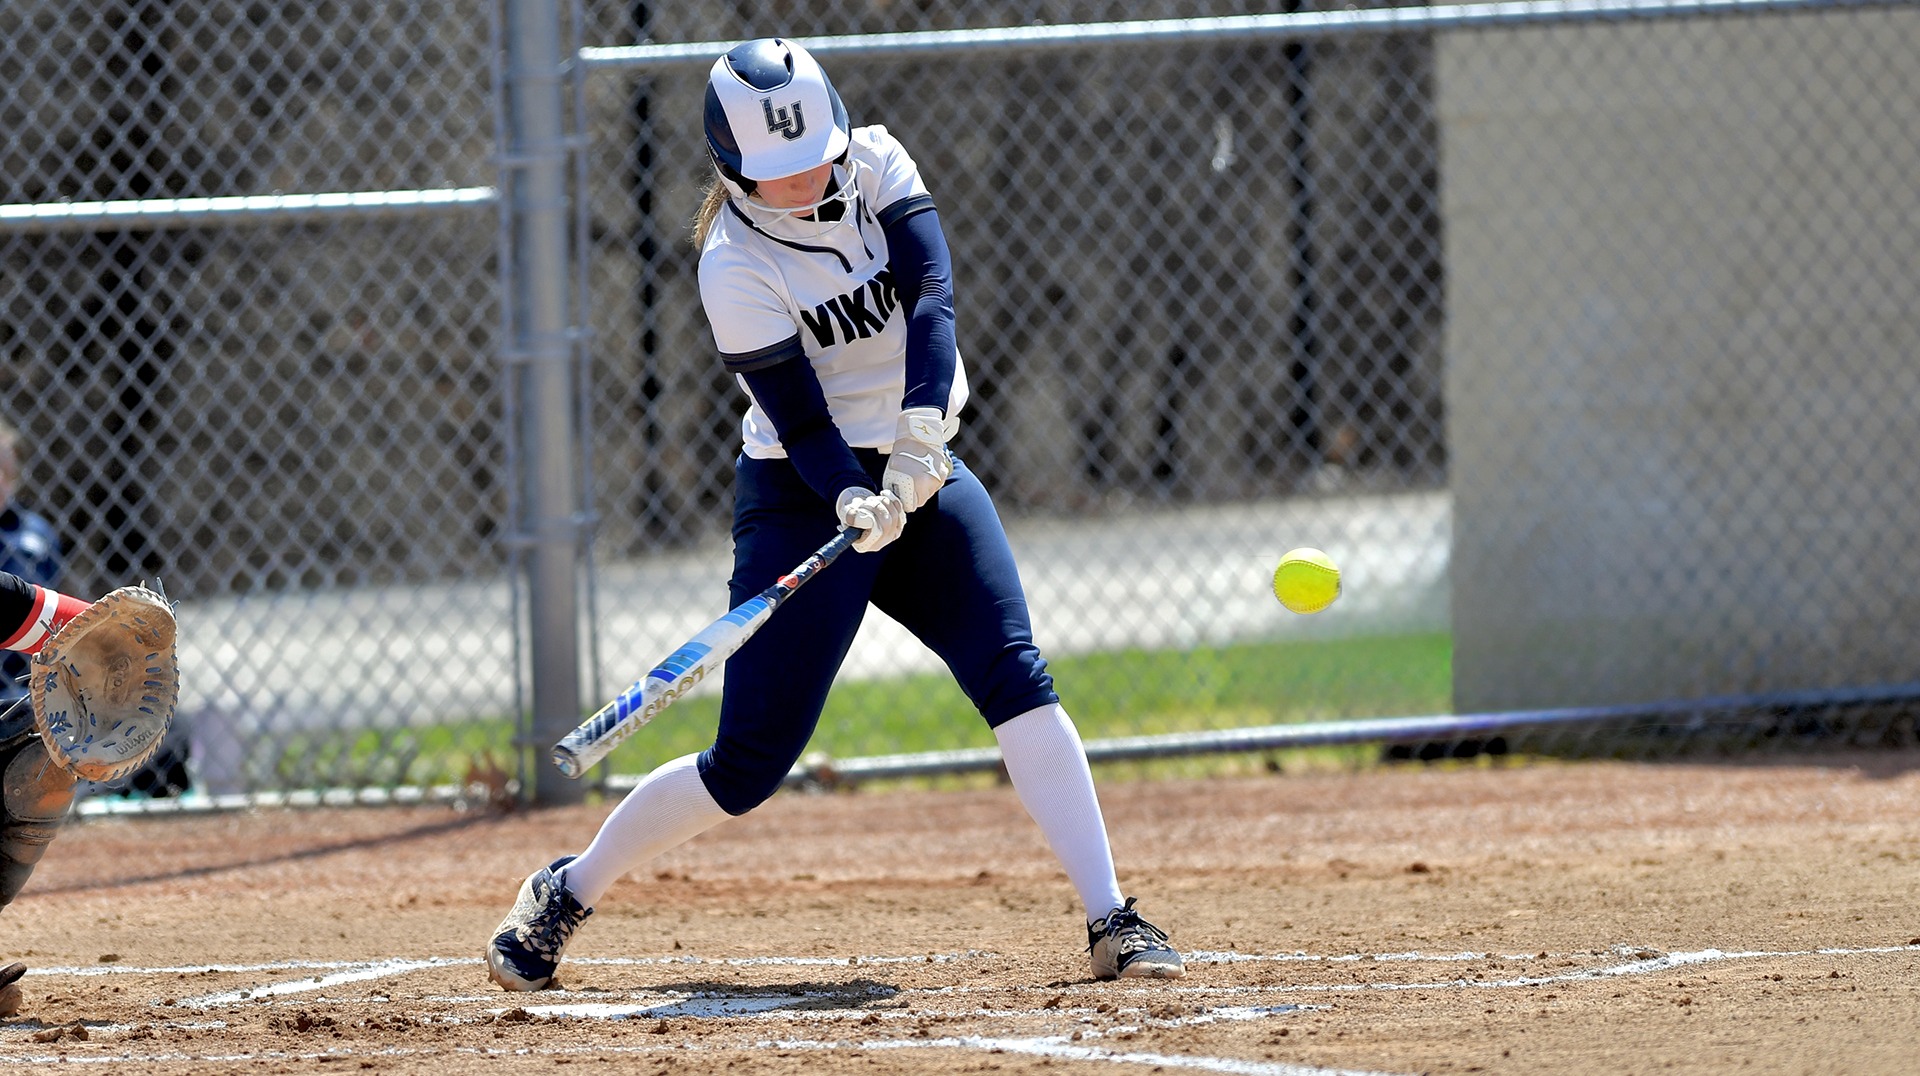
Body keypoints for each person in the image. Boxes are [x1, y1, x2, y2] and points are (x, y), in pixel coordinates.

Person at [487, 38, 1183, 991]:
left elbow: (933, 299)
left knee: (1014, 674)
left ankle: (1112, 916)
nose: (808, 176)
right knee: (747, 765)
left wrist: (918, 440)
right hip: (801, 493)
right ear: (732, 171)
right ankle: (567, 890)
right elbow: (800, 420)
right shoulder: (732, 264)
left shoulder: (880, 163)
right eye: (779, 172)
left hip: (922, 460)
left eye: (815, 150)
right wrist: (850, 493)